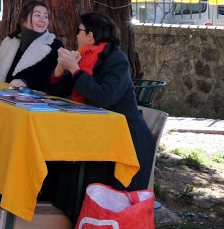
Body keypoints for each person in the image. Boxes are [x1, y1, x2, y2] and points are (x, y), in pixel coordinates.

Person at [45, 12, 155, 224]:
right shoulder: (84, 57)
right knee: (60, 155)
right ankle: (66, 213)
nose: (76, 36)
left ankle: (89, 216)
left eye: (79, 31)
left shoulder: (116, 60)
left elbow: (105, 96)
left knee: (77, 165)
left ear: (91, 35)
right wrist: (62, 67)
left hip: (122, 139)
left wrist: (75, 70)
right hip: (94, 132)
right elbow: (56, 91)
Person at [0, 0, 63, 90]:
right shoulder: (10, 42)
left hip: (30, 102)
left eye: (45, 16)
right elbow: (0, 70)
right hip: (2, 96)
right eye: (37, 15)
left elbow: (52, 82)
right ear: (23, 19)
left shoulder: (54, 45)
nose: (42, 20)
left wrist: (27, 84)